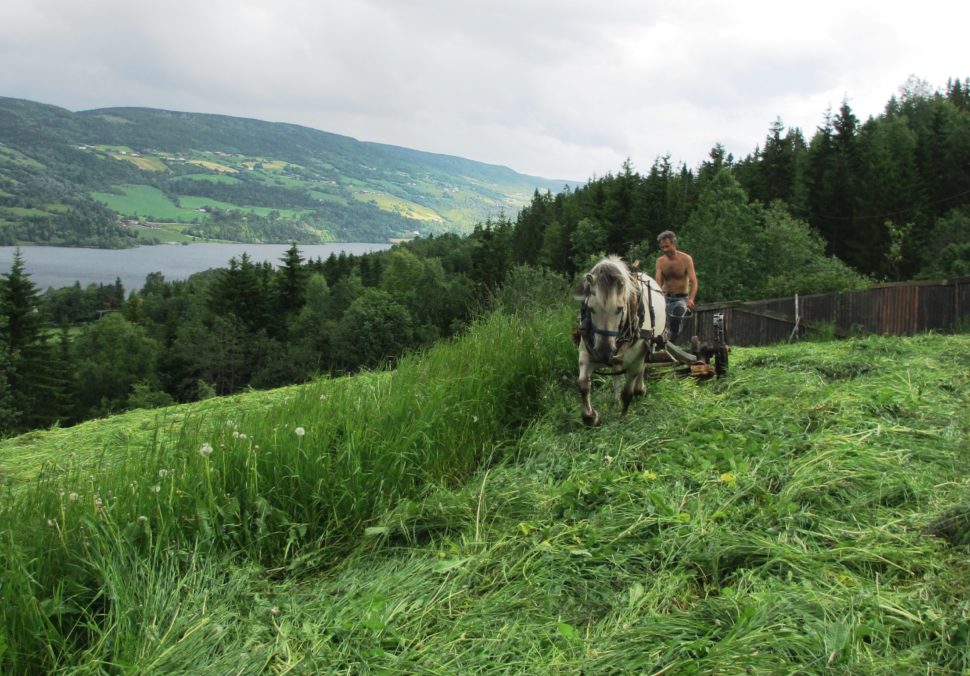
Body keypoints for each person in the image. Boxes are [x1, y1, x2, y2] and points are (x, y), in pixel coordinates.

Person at [654, 230, 697, 344]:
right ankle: (660, 342)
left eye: (667, 246)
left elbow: (694, 281)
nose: (665, 250)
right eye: (662, 247)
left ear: (674, 244)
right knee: (657, 320)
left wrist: (691, 299)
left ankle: (671, 342)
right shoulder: (660, 261)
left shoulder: (686, 259)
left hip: (680, 298)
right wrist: (657, 296)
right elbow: (658, 281)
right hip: (665, 296)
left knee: (676, 320)